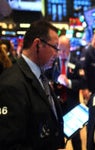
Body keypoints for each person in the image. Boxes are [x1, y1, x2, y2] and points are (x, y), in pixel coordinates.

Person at [0, 20, 65, 149]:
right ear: (38, 45)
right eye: (55, 47)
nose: (57, 54)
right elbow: (9, 144)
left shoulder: (40, 74)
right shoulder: (11, 85)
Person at [45, 35, 86, 150]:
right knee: (58, 135)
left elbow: (83, 83)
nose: (61, 53)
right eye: (59, 49)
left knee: (76, 137)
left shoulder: (77, 63)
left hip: (72, 105)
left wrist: (69, 83)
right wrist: (50, 84)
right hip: (57, 105)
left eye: (64, 50)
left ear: (69, 48)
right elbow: (46, 77)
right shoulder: (53, 62)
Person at [81, 31, 95, 100]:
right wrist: (85, 87)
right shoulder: (87, 52)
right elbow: (82, 71)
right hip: (90, 88)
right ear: (92, 39)